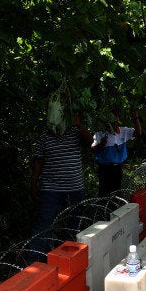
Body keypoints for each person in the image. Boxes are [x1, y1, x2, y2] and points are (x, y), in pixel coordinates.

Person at [28, 112, 93, 263]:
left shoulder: (75, 132)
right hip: (50, 190)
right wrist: (33, 184)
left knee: (73, 225)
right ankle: (33, 262)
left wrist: (79, 125)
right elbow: (38, 162)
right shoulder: (45, 136)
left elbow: (92, 143)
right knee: (44, 225)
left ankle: (72, 260)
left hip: (74, 189)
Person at [91, 108, 142, 197]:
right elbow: (92, 148)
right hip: (104, 168)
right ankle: (105, 209)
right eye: (112, 119)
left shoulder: (123, 131)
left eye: (116, 119)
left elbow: (138, 132)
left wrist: (136, 118)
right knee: (104, 193)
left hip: (118, 167)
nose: (114, 122)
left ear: (118, 119)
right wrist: (101, 144)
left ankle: (116, 208)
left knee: (117, 191)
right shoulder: (100, 133)